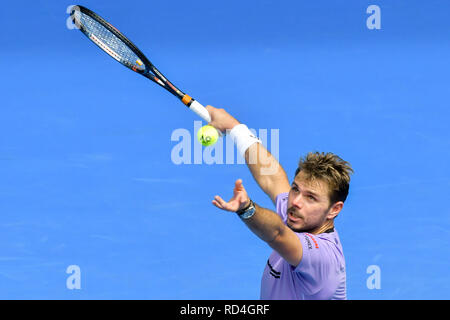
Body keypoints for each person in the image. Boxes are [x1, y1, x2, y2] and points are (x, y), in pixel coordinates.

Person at [205, 105, 354, 300]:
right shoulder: (300, 215)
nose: (296, 202)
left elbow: (278, 234)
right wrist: (234, 127)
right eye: (295, 189)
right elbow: (272, 177)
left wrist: (247, 209)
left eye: (311, 197)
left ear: (334, 209)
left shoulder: (322, 258)